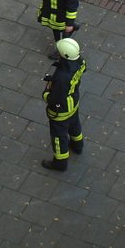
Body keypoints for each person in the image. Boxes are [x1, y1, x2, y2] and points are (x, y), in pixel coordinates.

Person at [41, 38, 86, 172]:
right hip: (73, 102)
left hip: (61, 111)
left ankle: (60, 163)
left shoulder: (62, 77)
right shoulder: (80, 62)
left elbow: (54, 99)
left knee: (58, 136)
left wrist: (46, 93)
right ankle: (78, 146)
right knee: (74, 125)